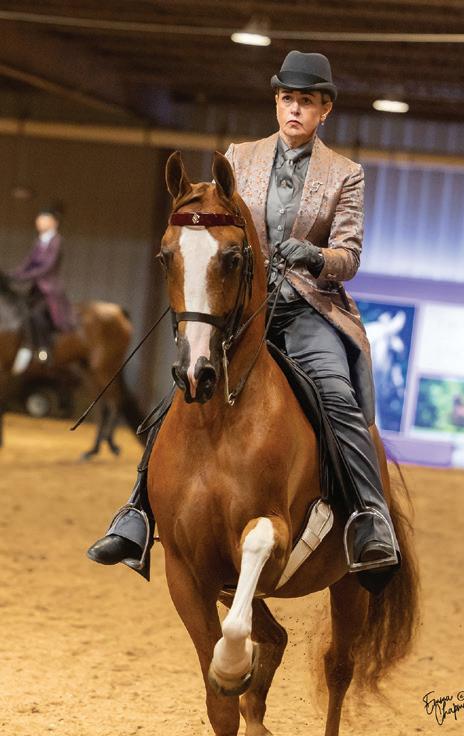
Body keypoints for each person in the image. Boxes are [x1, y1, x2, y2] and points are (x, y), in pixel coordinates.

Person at [87, 51, 400, 591]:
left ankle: (369, 517)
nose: (294, 109)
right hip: (243, 309)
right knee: (184, 390)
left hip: (309, 309)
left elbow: (349, 255)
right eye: (287, 99)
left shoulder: (346, 174)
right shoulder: (238, 157)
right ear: (276, 102)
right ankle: (136, 512)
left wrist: (315, 256)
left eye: (306, 101)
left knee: (336, 395)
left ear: (324, 109)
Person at [11, 208, 74, 375]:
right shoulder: (39, 241)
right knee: (22, 312)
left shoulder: (56, 241)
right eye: (38, 219)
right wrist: (14, 274)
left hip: (49, 289)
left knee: (37, 314)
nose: (39, 222)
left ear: (54, 222)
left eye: (43, 219)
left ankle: (44, 349)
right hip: (36, 288)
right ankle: (27, 346)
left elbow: (47, 267)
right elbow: (28, 262)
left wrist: (25, 276)